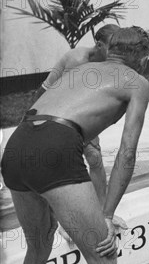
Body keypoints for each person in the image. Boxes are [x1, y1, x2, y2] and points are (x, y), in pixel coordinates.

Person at [0, 27, 149, 264]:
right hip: (55, 146)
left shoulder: (80, 71)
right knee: (102, 254)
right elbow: (128, 153)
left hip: (17, 145)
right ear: (144, 58)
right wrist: (107, 213)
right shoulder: (137, 82)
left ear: (110, 49)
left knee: (38, 246)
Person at [33, 23, 121, 205]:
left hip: (78, 113)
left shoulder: (107, 61)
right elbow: (62, 99)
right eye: (112, 47)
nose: (116, 52)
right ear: (99, 45)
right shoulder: (78, 60)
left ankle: (102, 208)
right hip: (51, 109)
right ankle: (62, 213)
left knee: (95, 158)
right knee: (62, 164)